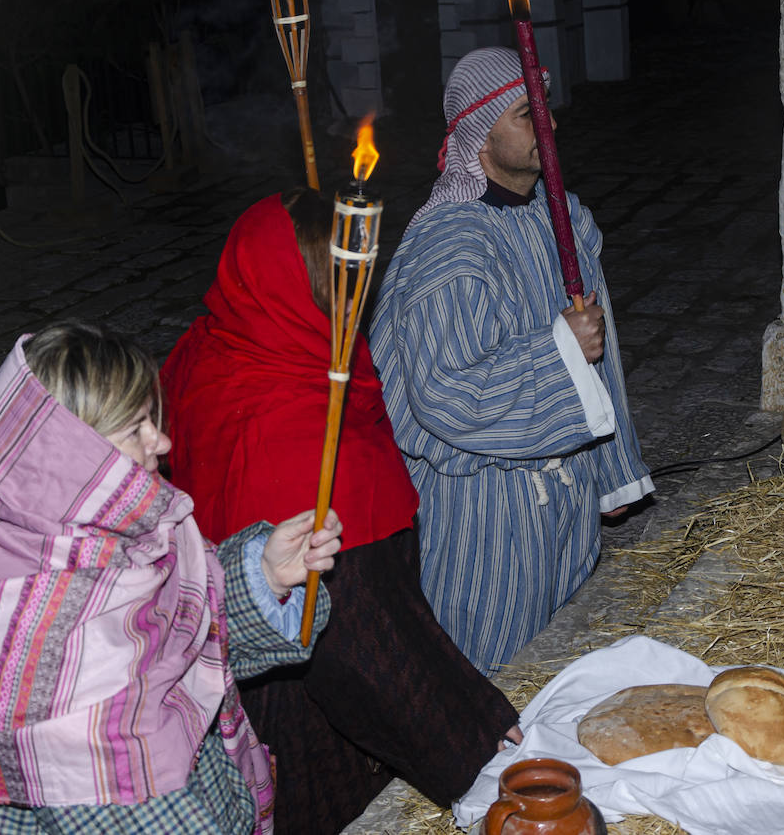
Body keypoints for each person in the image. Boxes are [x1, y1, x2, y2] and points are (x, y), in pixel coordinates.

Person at [0, 321, 342, 834]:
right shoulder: (61, 668)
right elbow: (130, 804)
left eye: (152, 417)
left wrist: (263, 573)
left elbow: (171, 626)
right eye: (135, 429)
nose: (163, 441)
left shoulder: (6, 531)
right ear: (71, 459)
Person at [161, 190, 522, 834]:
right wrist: (475, 739)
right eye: (339, 280)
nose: (356, 296)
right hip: (291, 717)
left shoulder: (218, 342)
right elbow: (362, 645)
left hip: (221, 676)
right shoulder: (304, 440)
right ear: (292, 282)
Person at [368, 46, 654, 674]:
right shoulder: (449, 244)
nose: (547, 124)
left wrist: (613, 472)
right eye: (527, 114)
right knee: (493, 678)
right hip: (487, 514)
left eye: (545, 108)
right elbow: (446, 392)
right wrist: (559, 349)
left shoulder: (567, 221)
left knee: (564, 671)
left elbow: (602, 365)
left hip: (567, 494)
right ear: (479, 133)